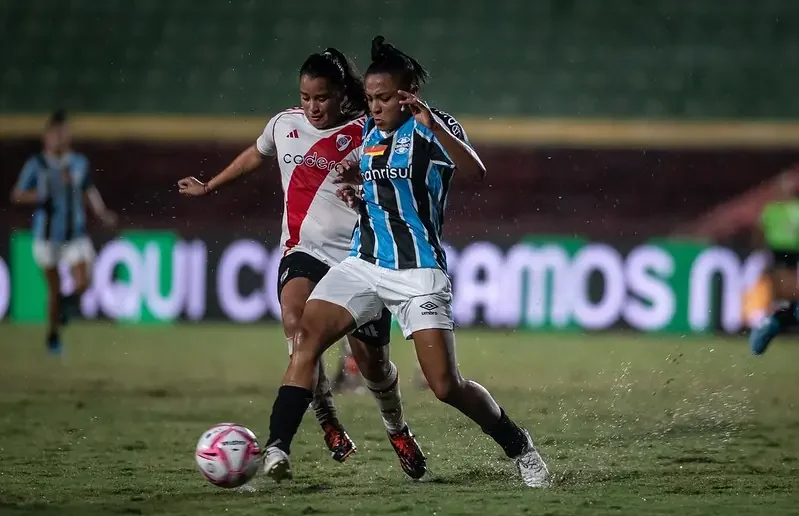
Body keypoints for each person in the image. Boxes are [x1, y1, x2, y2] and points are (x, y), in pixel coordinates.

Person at [261, 36, 551, 488]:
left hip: (417, 271)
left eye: (383, 98)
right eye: (370, 98)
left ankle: (520, 446)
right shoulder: (367, 131)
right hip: (363, 264)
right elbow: (381, 183)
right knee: (305, 339)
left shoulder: (431, 127)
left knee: (445, 385)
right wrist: (359, 189)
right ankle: (277, 448)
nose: (374, 107)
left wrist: (432, 124)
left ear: (408, 93)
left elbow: (475, 172)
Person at [177, 48, 425, 478]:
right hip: (302, 251)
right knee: (298, 334)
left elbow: (397, 174)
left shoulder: (369, 130)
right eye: (306, 98)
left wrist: (365, 191)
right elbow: (257, 153)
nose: (312, 107)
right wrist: (211, 186)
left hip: (359, 258)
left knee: (374, 367)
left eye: (322, 98)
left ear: (341, 94)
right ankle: (316, 424)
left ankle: (396, 428)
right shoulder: (283, 125)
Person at [10, 110, 117, 355]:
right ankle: (53, 336)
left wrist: (101, 212)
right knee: (54, 290)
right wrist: (41, 195)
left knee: (85, 279)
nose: (60, 138)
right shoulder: (36, 164)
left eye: (64, 133)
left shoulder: (78, 162)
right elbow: (17, 194)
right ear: (47, 136)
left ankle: (68, 306)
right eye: (56, 134)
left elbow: (88, 189)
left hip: (75, 233)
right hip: (46, 237)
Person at [749, 172, 799, 355]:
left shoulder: (787, 209)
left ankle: (773, 324)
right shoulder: (772, 210)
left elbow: (759, 230)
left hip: (791, 253)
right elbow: (760, 231)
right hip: (779, 253)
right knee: (783, 296)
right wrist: (761, 252)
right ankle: (773, 323)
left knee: (787, 298)